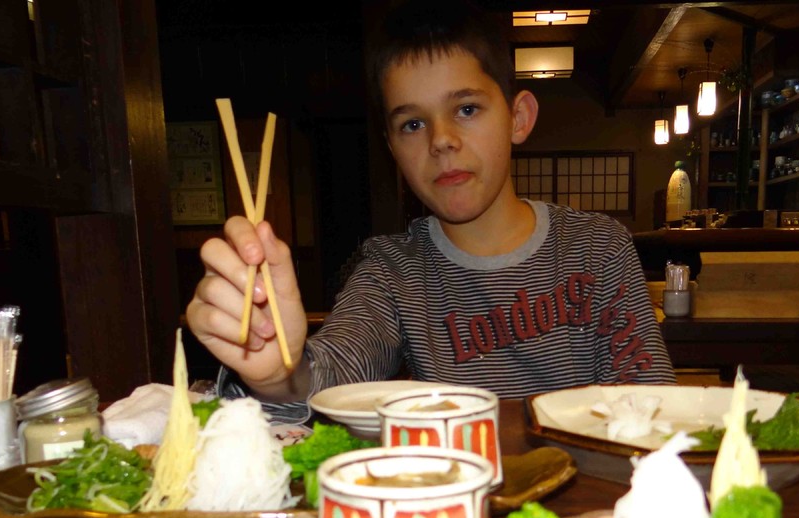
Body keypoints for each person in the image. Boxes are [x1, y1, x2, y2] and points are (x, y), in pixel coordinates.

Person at [186, 0, 674, 424]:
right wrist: (281, 376)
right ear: (392, 149)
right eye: (413, 124)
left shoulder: (597, 247)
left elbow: (651, 408)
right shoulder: (393, 271)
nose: (441, 140)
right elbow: (335, 370)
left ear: (518, 117)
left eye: (466, 109)